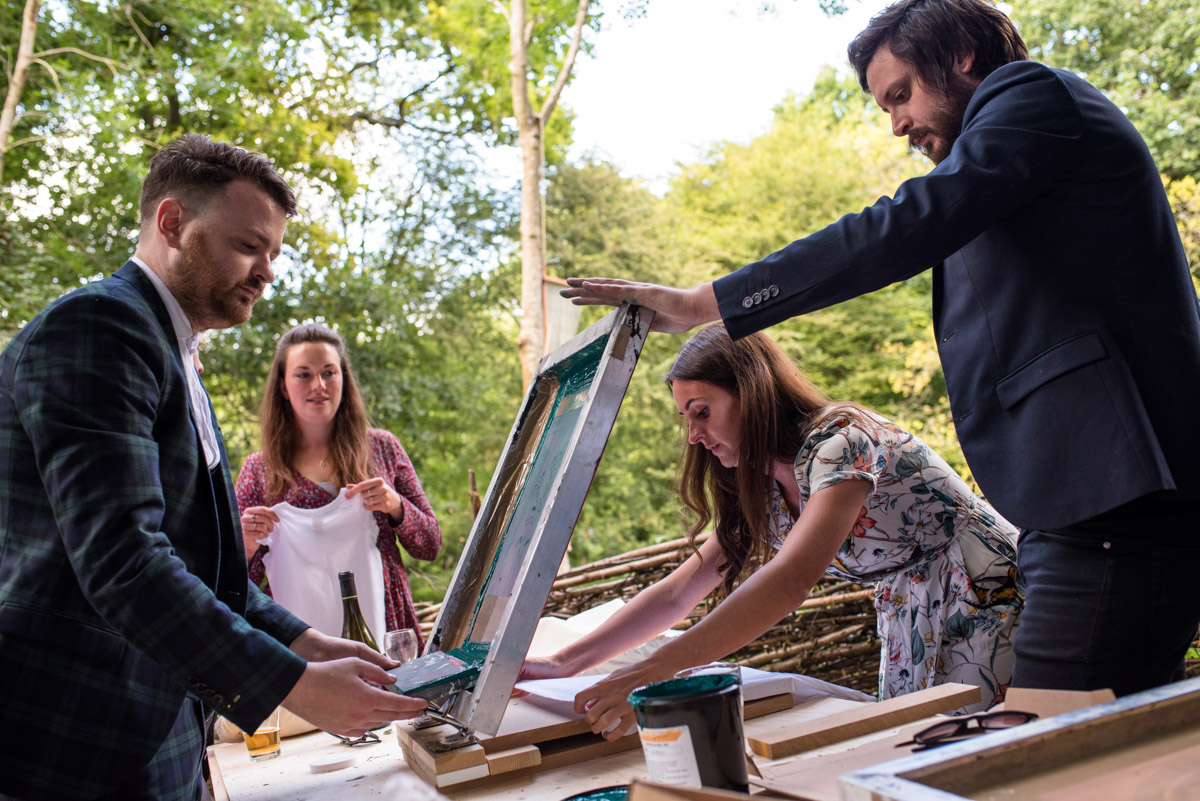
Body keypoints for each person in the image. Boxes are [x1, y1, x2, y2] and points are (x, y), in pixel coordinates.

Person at [561, 0, 1200, 698]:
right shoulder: (1008, 180)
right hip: (1072, 509)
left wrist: (698, 304)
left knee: (1053, 750)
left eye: (901, 94)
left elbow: (900, 227)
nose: (897, 123)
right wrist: (564, 665)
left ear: (959, 54)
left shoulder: (1032, 96)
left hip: (1119, 501)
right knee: (1113, 753)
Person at [0, 135, 426, 801]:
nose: (267, 271)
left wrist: (309, 643)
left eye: (273, 253)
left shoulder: (171, 350)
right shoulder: (99, 327)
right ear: (173, 223)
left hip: (161, 740)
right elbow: (124, 562)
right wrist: (295, 687)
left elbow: (200, 567)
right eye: (249, 245)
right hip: (75, 748)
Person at [521, 324, 1023, 738]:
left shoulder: (841, 442)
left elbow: (791, 579)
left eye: (703, 412)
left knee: (983, 755)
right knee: (918, 748)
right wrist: (564, 662)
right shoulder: (762, 484)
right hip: (912, 608)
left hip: (985, 588)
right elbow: (681, 593)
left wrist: (656, 670)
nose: (694, 436)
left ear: (754, 392)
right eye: (686, 418)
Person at [236, 322, 442, 649]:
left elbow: (430, 545)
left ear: (343, 378)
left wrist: (396, 507)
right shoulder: (259, 470)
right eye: (303, 374)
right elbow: (233, 587)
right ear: (283, 387)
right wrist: (245, 546)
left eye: (329, 373)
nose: (318, 385)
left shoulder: (383, 450)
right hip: (304, 652)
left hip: (387, 634)